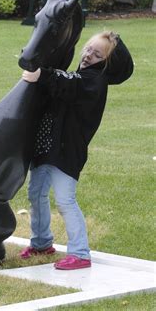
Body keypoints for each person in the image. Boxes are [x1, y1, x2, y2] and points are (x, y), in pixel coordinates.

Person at [19, 30, 133, 270]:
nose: (89, 55)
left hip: (67, 151)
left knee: (65, 200)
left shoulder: (94, 82)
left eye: (97, 54)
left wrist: (41, 74)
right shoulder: (80, 75)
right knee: (36, 194)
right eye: (89, 49)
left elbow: (66, 83)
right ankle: (41, 243)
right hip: (48, 147)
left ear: (107, 62)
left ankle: (80, 253)